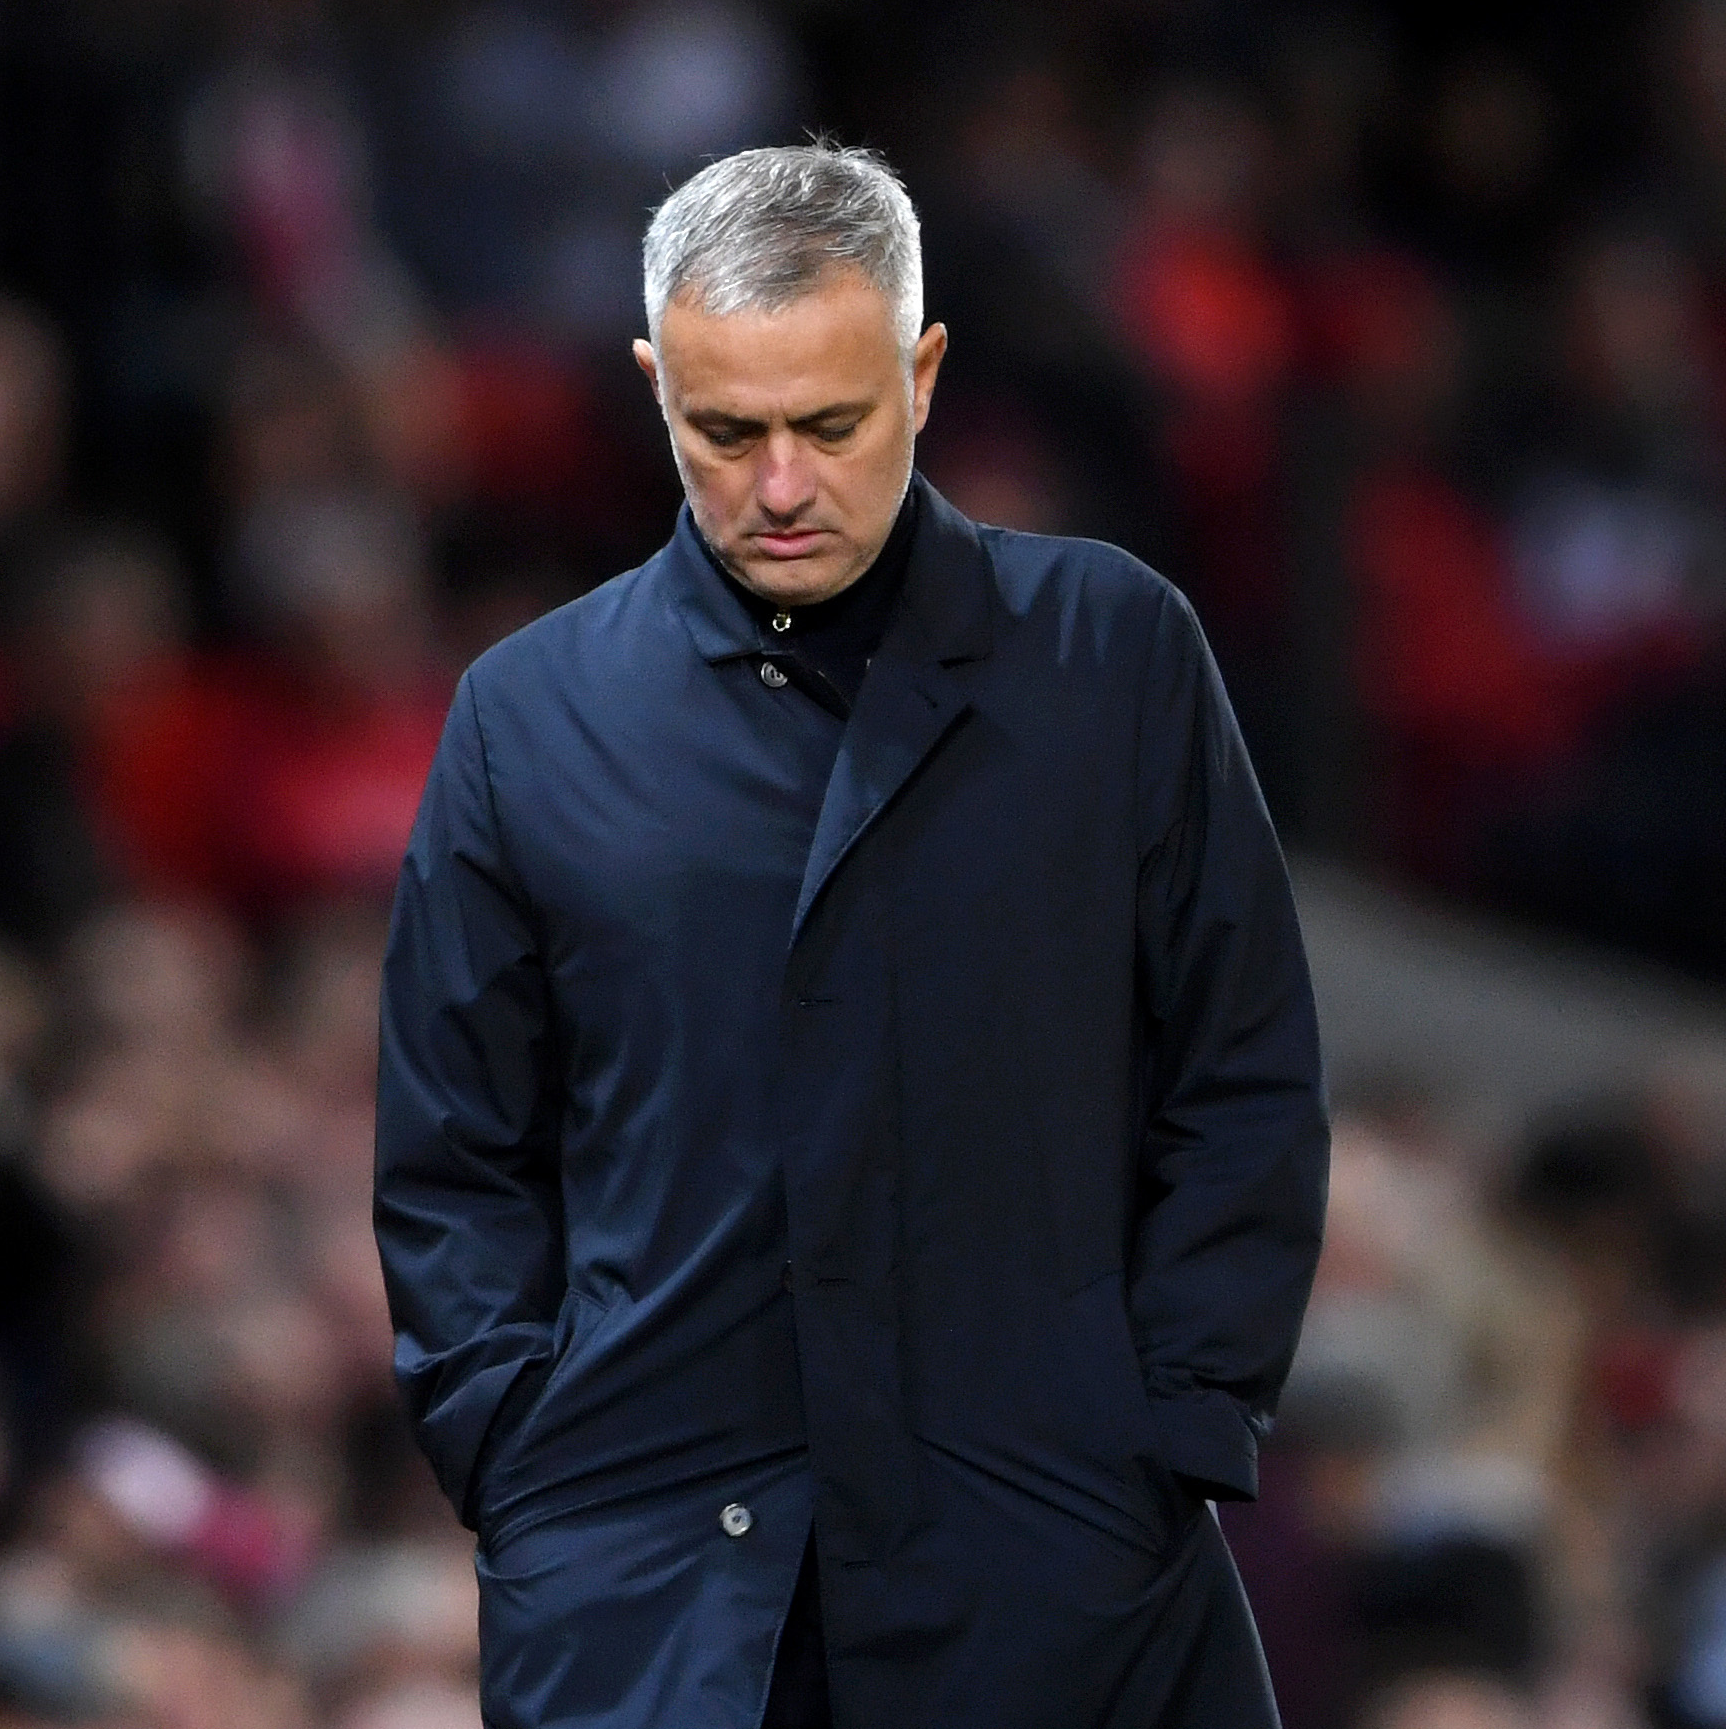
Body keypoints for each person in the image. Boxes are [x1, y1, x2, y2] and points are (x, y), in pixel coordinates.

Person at [373, 140, 1329, 1728]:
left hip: (1054, 1566)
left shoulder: (1108, 654)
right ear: (650, 385)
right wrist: (523, 1463)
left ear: (925, 371)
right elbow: (453, 1149)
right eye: (720, 430)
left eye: (830, 423)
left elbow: (1240, 1067)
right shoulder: (524, 716)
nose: (778, 487)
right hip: (653, 1589)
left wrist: (1172, 1425)